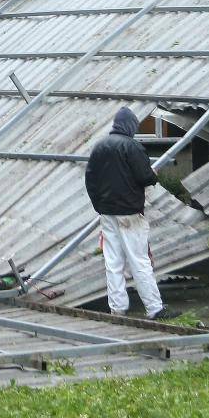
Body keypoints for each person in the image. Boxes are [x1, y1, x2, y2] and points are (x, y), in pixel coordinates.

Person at [85, 106, 166, 320]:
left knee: (113, 262)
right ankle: (155, 308)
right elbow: (145, 177)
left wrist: (99, 205)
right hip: (130, 214)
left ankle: (118, 309)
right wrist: (153, 174)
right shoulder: (132, 147)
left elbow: (90, 180)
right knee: (139, 261)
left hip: (107, 214)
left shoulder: (99, 147)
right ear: (130, 126)